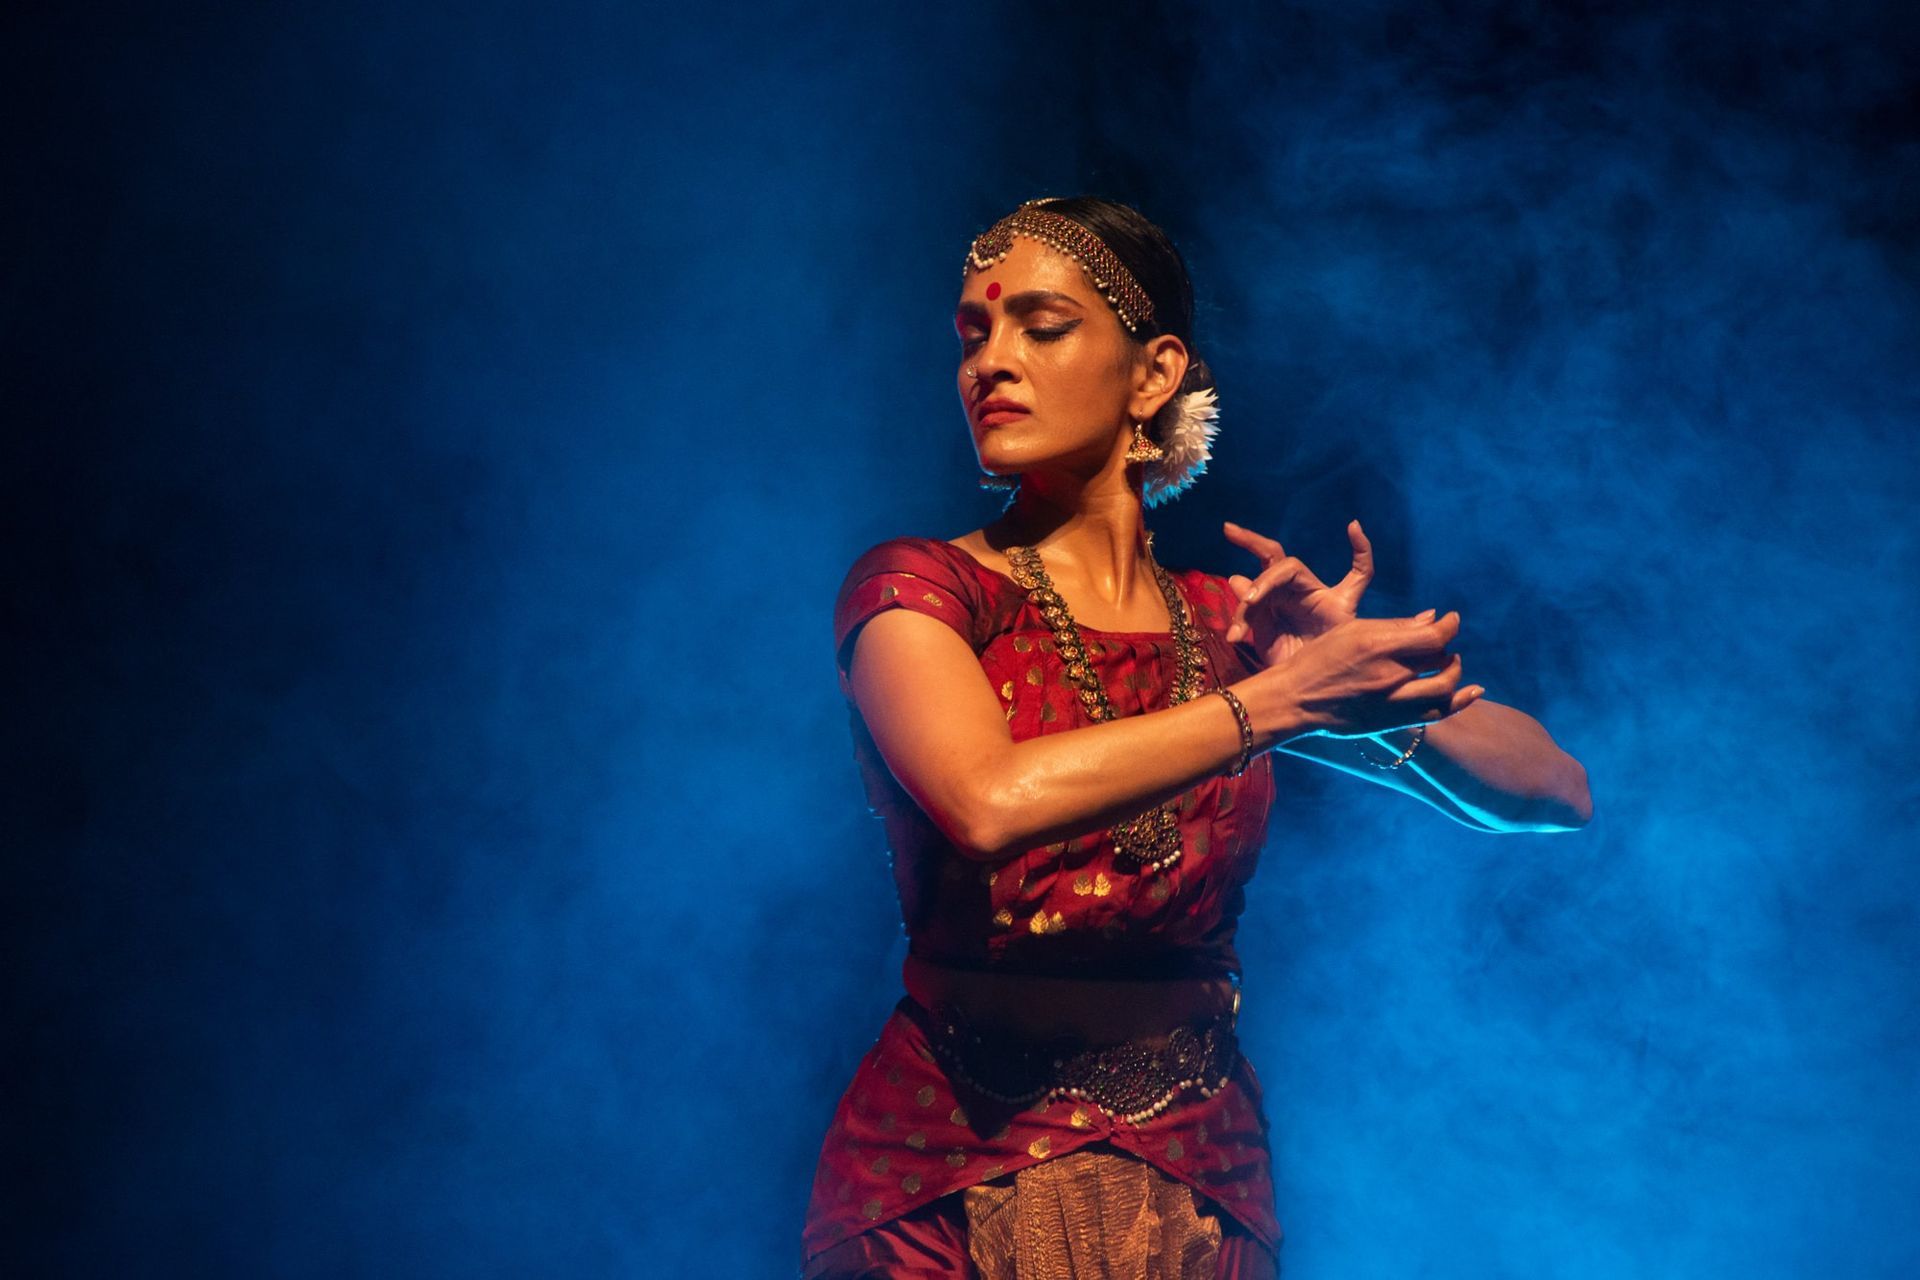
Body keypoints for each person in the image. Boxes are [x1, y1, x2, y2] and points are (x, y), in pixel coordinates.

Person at [800, 196, 1593, 1279]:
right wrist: (1279, 703)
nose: (991, 362)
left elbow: (1554, 790)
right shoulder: (921, 589)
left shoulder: (1226, 626)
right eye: (973, 336)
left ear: (1155, 373)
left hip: (1197, 1180)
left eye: (1041, 326)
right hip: (944, 1182)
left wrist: (1346, 671)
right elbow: (986, 798)